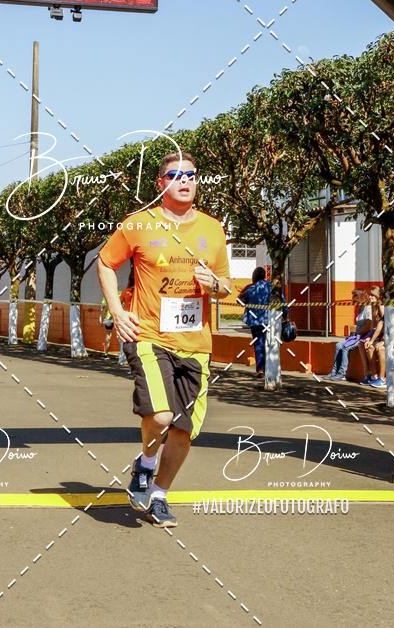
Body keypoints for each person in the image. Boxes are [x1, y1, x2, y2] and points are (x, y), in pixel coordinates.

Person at [97, 152, 230, 528]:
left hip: (196, 344)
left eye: (191, 175)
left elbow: (225, 286)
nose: (185, 181)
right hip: (150, 335)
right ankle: (147, 461)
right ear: (161, 184)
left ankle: (158, 494)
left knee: (184, 431)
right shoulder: (139, 225)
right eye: (176, 175)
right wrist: (118, 312)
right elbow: (106, 263)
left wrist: (214, 287)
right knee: (161, 415)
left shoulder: (213, 229)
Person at [238, 267, 288, 379]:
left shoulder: (251, 288)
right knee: (271, 343)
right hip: (271, 320)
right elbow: (282, 301)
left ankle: (260, 369)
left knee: (258, 345)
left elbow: (240, 301)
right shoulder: (272, 287)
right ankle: (271, 368)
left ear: (254, 276)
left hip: (255, 321)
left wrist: (248, 300)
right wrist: (285, 315)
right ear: (265, 276)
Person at [325, 288, 372, 381]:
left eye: (355, 300)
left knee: (346, 348)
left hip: (363, 336)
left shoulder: (368, 309)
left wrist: (357, 333)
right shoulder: (360, 308)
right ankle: (334, 371)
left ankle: (342, 373)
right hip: (356, 335)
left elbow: (368, 326)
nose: (354, 302)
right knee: (338, 345)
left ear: (361, 298)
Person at [359, 287, 386, 388]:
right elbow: (374, 326)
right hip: (376, 334)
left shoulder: (381, 306)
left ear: (378, 296)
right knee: (367, 346)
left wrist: (380, 340)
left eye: (372, 295)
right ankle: (373, 376)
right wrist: (370, 339)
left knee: (377, 347)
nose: (370, 297)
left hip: (384, 335)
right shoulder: (373, 305)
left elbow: (383, 325)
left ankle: (381, 378)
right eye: (369, 295)